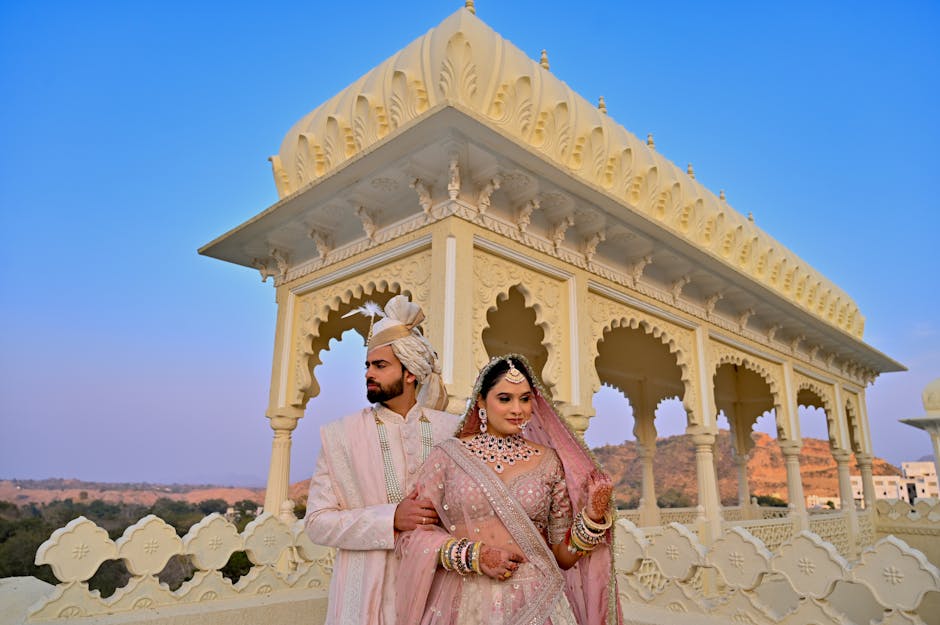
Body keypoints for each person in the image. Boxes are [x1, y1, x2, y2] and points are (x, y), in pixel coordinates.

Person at [395, 355, 622, 625]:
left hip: (535, 601)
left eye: (525, 399)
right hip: (462, 602)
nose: (518, 409)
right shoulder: (449, 456)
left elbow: (562, 557)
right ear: (481, 401)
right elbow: (413, 536)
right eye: (505, 399)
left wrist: (592, 520)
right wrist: (473, 556)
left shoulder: (550, 461)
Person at [304, 295, 460, 625]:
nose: (368, 374)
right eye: (367, 366)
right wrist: (390, 519)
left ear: (410, 373)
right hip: (364, 601)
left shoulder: (452, 432)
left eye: (380, 366)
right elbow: (317, 523)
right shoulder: (339, 435)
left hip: (438, 592)